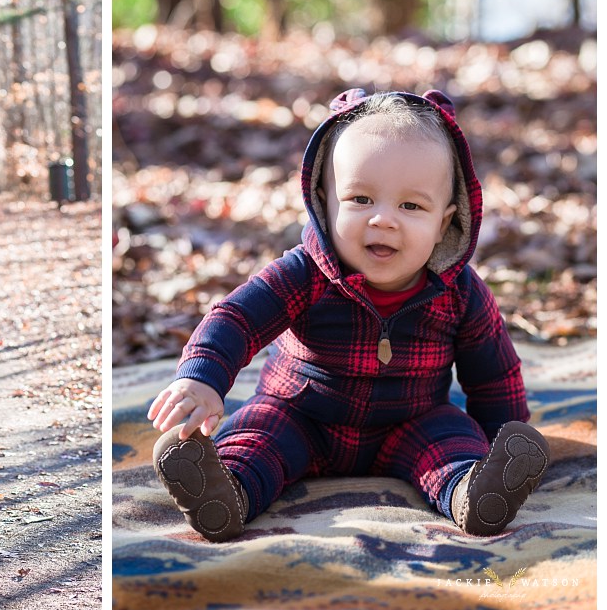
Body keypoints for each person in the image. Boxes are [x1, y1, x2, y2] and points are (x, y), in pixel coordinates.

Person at [148, 88, 550, 541]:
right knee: (257, 436)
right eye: (360, 199)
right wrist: (202, 378)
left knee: (452, 441)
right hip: (301, 414)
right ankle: (224, 493)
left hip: (411, 421)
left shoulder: (459, 292)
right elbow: (236, 319)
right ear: (325, 200)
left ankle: (475, 493)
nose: (383, 220)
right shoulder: (303, 273)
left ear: (444, 223)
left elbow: (493, 373)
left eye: (411, 206)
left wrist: (504, 435)